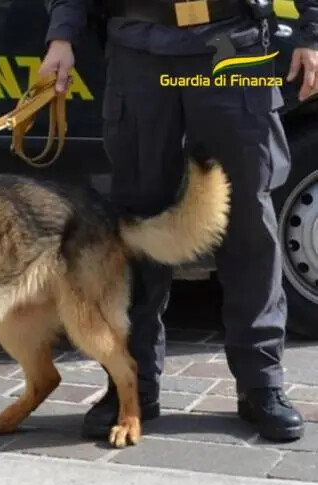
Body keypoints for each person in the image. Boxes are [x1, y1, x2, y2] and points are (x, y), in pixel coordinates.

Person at [39, 0, 318, 442]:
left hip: (232, 47)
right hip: (139, 52)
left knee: (249, 226)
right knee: (137, 226)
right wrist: (62, 36)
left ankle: (261, 384)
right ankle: (133, 386)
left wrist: (312, 35)